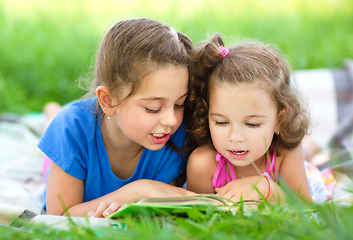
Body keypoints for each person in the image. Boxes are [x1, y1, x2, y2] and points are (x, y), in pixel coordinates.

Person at [38, 18, 196, 218]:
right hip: (65, 145)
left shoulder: (174, 138)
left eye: (179, 104)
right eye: (153, 108)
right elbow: (59, 217)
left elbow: (157, 213)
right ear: (109, 101)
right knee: (51, 133)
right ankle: (51, 111)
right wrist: (139, 191)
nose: (171, 120)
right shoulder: (70, 130)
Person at [185, 34, 312, 203]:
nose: (235, 137)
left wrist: (268, 188)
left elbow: (306, 211)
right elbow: (195, 217)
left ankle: (313, 147)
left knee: (309, 151)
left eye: (252, 124)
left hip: (305, 171)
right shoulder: (203, 164)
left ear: (279, 120)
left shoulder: (285, 154)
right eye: (221, 122)